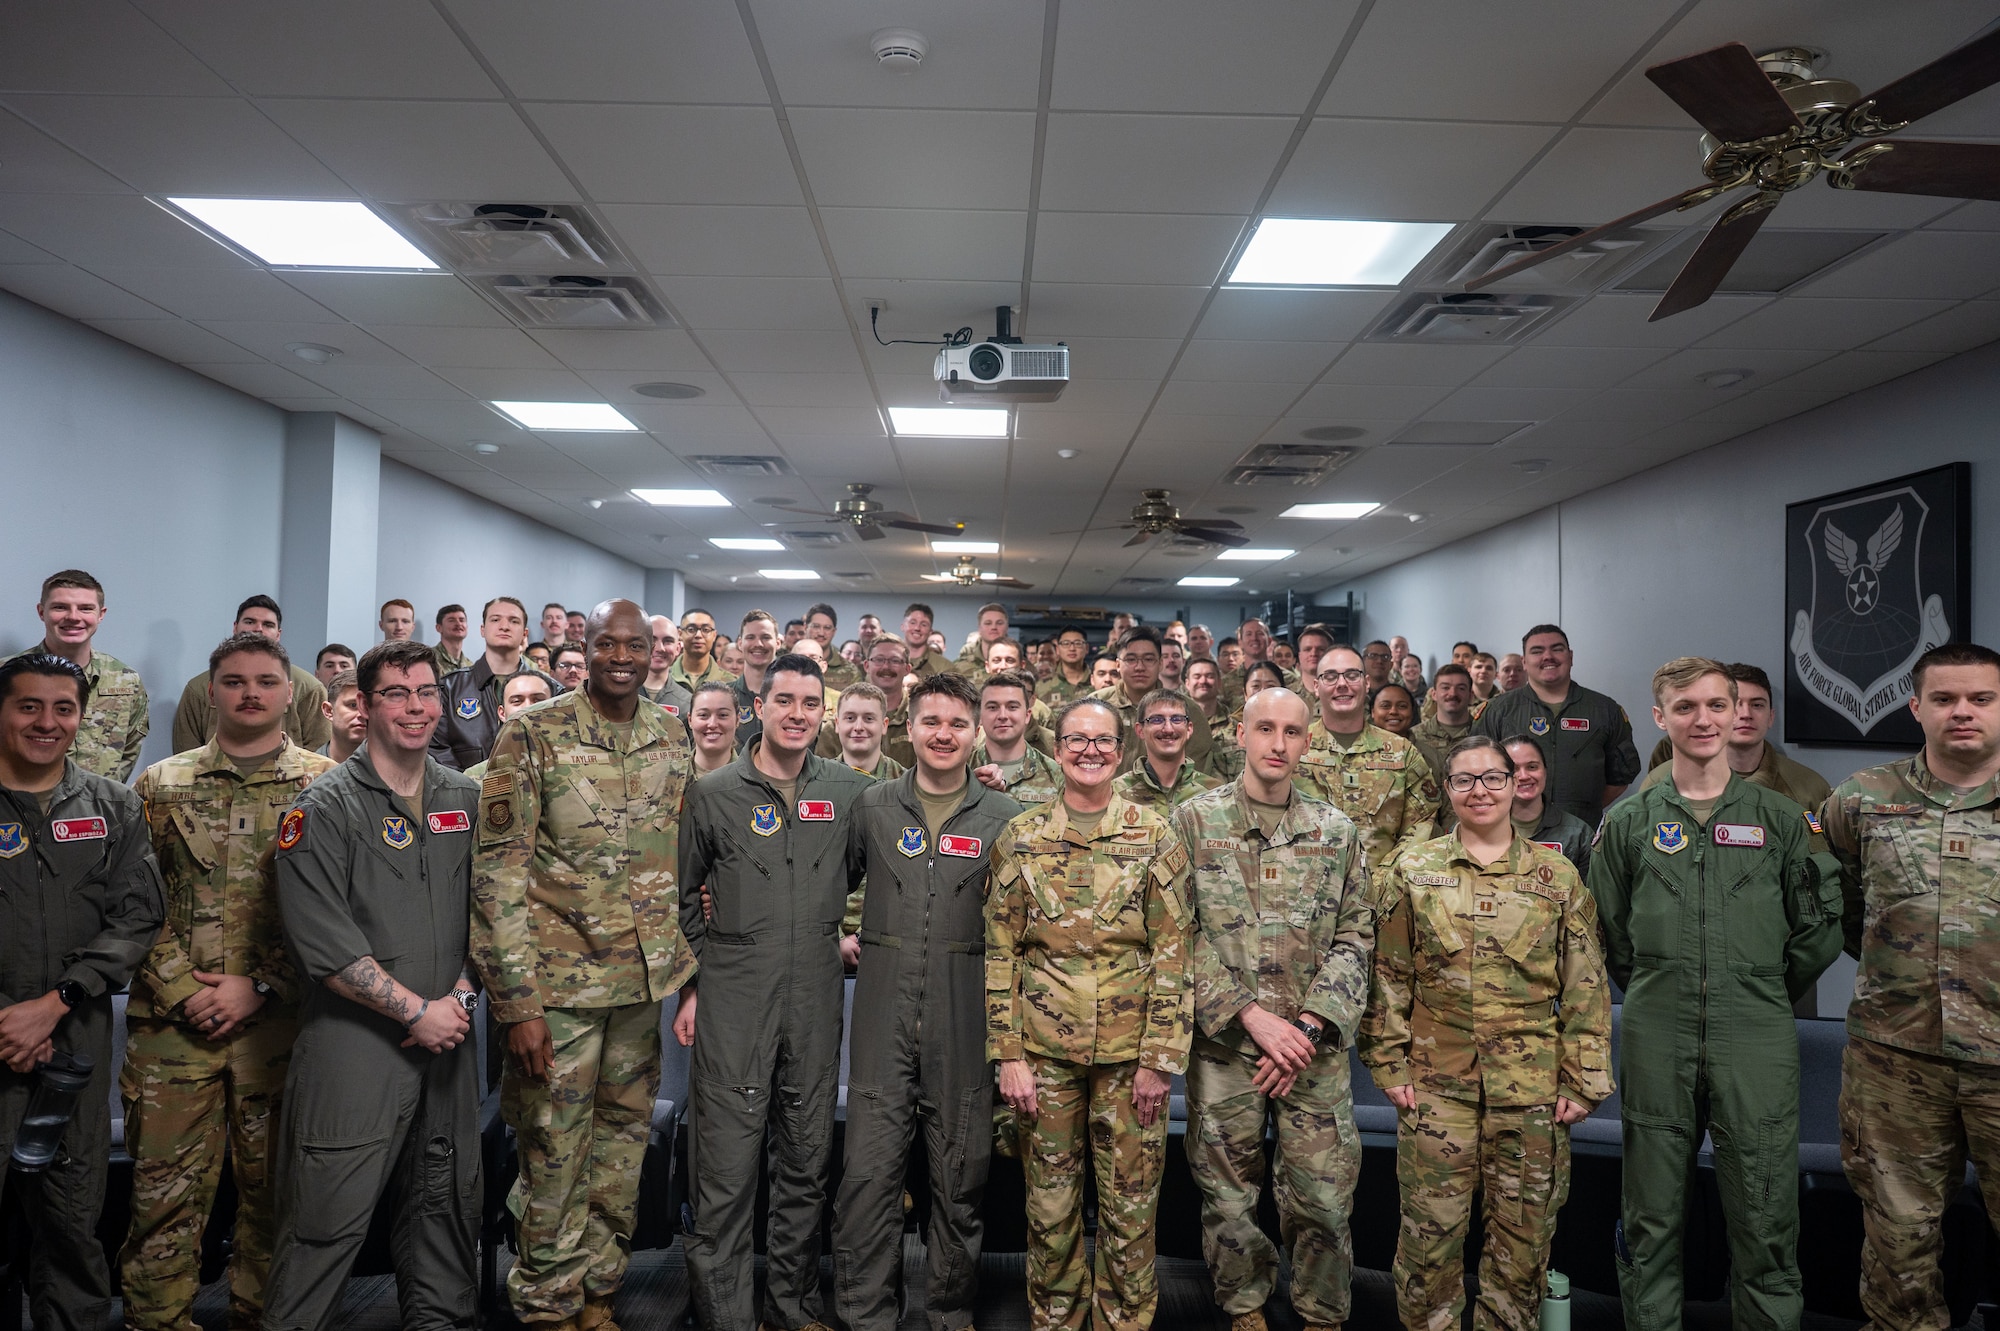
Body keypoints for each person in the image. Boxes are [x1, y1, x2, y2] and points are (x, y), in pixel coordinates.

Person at [1588, 657, 1842, 1331]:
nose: (1702, 719)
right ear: (1660, 718)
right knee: (1651, 1222)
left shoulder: (1784, 820)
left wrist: (1758, 990)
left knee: (1764, 1221)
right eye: (1685, 707)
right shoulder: (1631, 821)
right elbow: (1609, 931)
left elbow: (1818, 927)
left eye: (1714, 705)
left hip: (1755, 1035)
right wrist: (1656, 985)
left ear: (1737, 712)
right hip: (1655, 1033)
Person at [474, 599, 696, 1330]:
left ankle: (599, 1291)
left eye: (636, 643)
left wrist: (687, 973)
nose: (623, 655)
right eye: (608, 642)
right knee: (551, 1152)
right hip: (556, 992)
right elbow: (498, 876)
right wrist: (517, 1004)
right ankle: (547, 1303)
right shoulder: (531, 733)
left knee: (621, 1149)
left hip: (639, 987)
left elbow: (680, 861)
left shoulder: (671, 733)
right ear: (581, 644)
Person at [264, 639, 482, 1331]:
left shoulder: (467, 798)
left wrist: (460, 1001)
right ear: (362, 703)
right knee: (323, 1226)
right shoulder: (322, 807)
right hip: (354, 1050)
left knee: (447, 1218)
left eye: (427, 692)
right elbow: (323, 944)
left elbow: (496, 916)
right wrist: (416, 1009)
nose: (416, 707)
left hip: (451, 1039)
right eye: (397, 693)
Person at [121, 633, 336, 1331]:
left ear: (290, 693)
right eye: (235, 681)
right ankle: (157, 1320)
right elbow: (130, 901)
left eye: (266, 681)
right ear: (211, 691)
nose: (250, 693)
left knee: (275, 1197)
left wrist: (262, 983)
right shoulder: (161, 783)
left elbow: (341, 908)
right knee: (162, 1197)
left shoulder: (327, 784)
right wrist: (182, 985)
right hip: (172, 1030)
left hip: (281, 1026)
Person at [1362, 735, 1613, 1331]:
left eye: (1493, 778)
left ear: (1518, 784)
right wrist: (1388, 1065)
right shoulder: (1413, 871)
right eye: (1465, 780)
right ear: (1447, 791)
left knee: (1523, 1243)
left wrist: (1584, 1080)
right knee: (1429, 1240)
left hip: (1531, 1091)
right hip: (1434, 1085)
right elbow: (1389, 974)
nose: (1480, 791)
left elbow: (1586, 982)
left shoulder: (1556, 876)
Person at [988, 697, 1193, 1331]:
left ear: (1122, 747)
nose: (1090, 751)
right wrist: (1009, 1057)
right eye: (1077, 740)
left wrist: (1160, 1064)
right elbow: (1000, 956)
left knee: (1131, 1206)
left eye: (1103, 740)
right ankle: (1055, 1318)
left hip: (1132, 1061)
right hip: (1044, 1059)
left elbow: (1176, 954)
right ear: (1058, 746)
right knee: (1049, 1206)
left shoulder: (1154, 833)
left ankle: (1126, 1320)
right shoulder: (1022, 837)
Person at [678, 652, 869, 1331]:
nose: (796, 713)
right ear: (756, 706)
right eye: (782, 700)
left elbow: (856, 874)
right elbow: (678, 898)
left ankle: (791, 1307)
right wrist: (704, 974)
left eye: (809, 703)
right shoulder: (713, 792)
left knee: (804, 1162)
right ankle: (726, 1314)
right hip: (736, 993)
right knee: (726, 1171)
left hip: (815, 991)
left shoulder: (850, 791)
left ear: (824, 712)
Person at [1172, 684, 1372, 1331]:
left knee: (1324, 1197)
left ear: (1308, 741)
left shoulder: (1336, 831)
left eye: (1292, 731)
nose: (1278, 743)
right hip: (1227, 1046)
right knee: (1228, 1197)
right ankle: (1245, 1306)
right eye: (1266, 729)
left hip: (1311, 1049)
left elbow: (1355, 935)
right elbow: (1176, 933)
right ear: (1240, 733)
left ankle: (1321, 1312)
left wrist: (1307, 1027)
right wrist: (1252, 1017)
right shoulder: (1194, 821)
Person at [834, 672, 1022, 1331]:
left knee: (960, 1180)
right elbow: (826, 882)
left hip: (966, 1012)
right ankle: (866, 1313)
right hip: (884, 1009)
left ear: (976, 733)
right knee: (867, 1179)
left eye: (957, 723)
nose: (943, 734)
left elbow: (1023, 927)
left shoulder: (1005, 816)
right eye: (930, 721)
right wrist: (837, 934)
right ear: (906, 727)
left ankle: (948, 1312)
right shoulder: (872, 806)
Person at [1822, 642, 2000, 1331]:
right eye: (1947, 698)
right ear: (1916, 707)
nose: (1963, 712)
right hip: (1895, 1061)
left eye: (1981, 698)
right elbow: (1835, 899)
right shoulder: (1863, 798)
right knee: (1898, 1245)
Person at [0, 653, 164, 1331]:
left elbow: (138, 915)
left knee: (72, 1227)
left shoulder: (112, 805)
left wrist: (54, 1003)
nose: (47, 722)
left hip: (73, 1042)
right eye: (28, 706)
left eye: (62, 707)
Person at [1472, 624, 1641, 828]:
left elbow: (1620, 777)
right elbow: (1476, 772)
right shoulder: (1497, 711)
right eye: (1537, 651)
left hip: (1582, 834)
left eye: (1557, 649)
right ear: (1524, 662)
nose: (1548, 656)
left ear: (1570, 657)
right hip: (1511, 834)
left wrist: (1578, 810)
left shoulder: (1605, 710)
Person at [1296, 647, 1440, 878]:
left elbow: (1423, 824)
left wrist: (1386, 878)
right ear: (1316, 686)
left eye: (1352, 675)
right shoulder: (1293, 747)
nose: (1342, 684)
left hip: (1384, 896)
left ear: (1366, 683)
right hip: (1305, 891)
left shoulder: (1401, 752)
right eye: (1330, 676)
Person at [11, 569, 150, 781]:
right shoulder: (9, 675)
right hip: (19, 807)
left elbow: (128, 753)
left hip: (96, 808)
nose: (74, 617)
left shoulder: (126, 681)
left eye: (86, 608)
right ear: (41, 612)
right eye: (60, 607)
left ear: (100, 614)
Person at [1641, 663, 1833, 811]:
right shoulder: (1660, 780)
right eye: (1736, 704)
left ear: (1771, 717)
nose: (1746, 714)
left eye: (1757, 705)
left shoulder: (1810, 787)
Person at [173, 596, 331, 754]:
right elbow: (185, 754)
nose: (258, 629)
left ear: (278, 634)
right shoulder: (197, 689)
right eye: (249, 622)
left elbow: (320, 753)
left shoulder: (309, 689)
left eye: (268, 625)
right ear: (235, 628)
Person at [431, 595, 556, 770]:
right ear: (483, 629)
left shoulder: (552, 690)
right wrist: (467, 786)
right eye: (495, 619)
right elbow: (438, 748)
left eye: (513, 621)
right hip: (468, 792)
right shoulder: (449, 688)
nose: (504, 626)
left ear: (524, 634)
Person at [1093, 627, 1213, 776]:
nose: (1140, 667)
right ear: (1118, 665)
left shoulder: (1187, 710)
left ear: (1160, 663)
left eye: (1148, 659)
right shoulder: (1095, 706)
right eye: (1131, 659)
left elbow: (1197, 773)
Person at [1115, 688, 1221, 812]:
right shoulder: (1115, 793)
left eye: (1177, 719)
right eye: (1156, 720)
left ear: (1189, 729)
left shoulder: (1215, 793)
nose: (1168, 729)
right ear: (1140, 730)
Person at [819, 637, 917, 770]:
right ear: (866, 666)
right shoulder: (836, 727)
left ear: (907, 668)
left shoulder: (919, 720)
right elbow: (822, 776)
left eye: (895, 660)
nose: (886, 667)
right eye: (879, 659)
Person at [971, 669, 1065, 806]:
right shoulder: (963, 772)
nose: (1002, 715)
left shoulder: (1055, 775)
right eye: (992, 707)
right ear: (980, 716)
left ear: (1027, 715)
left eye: (1012, 707)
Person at [1503, 736, 1593, 876]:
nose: (1523, 776)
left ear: (1545, 771)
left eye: (1532, 767)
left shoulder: (1578, 834)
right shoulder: (1476, 830)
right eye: (1513, 769)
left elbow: (1590, 895)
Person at [463, 671, 554, 782]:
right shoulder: (475, 777)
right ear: (502, 713)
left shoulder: (576, 767)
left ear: (553, 709)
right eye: (517, 701)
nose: (528, 707)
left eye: (538, 700)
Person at [1409, 663, 1474, 777]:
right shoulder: (1414, 736)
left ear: (1470, 695)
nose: (1453, 693)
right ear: (1434, 694)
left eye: (1461, 688)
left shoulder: (1484, 732)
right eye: (1445, 687)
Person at [729, 609, 781, 750]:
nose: (758, 643)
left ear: (778, 643)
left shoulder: (790, 697)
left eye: (765, 637)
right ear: (740, 643)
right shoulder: (725, 696)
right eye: (750, 637)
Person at [833, 681, 903, 780]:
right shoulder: (820, 782)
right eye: (850, 718)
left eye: (869, 719)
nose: (858, 727)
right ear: (837, 724)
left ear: (884, 725)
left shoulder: (905, 784)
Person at [642, 614, 694, 715]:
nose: (659, 648)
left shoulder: (687, 703)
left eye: (668, 641)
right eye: (652, 640)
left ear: (678, 648)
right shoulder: (621, 694)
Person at [672, 609, 732, 692]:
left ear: (714, 635)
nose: (698, 635)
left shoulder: (730, 682)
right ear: (680, 634)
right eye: (691, 629)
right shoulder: (665, 678)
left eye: (706, 630)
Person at [688, 681, 739, 775]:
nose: (712, 724)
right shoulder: (670, 776)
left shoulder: (754, 780)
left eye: (723, 715)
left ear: (737, 720)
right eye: (703, 715)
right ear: (690, 720)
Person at [805, 604, 859, 691]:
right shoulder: (787, 664)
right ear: (805, 627)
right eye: (816, 626)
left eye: (827, 628)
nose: (821, 633)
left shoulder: (850, 671)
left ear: (834, 631)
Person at [321, 667, 366, 764]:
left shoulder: (397, 768)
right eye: (353, 705)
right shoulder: (308, 772)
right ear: (329, 711)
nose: (362, 714)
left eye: (368, 706)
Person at [901, 604, 957, 678]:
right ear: (902, 626)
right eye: (912, 623)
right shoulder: (888, 661)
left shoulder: (945, 668)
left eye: (924, 625)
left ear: (930, 632)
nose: (917, 628)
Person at [955, 604, 1011, 674]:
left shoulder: (1017, 660)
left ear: (1007, 627)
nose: (993, 627)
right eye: (988, 623)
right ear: (979, 627)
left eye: (999, 623)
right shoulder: (962, 662)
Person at [434, 604, 472, 673]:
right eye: (451, 620)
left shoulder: (470, 666)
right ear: (439, 628)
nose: (458, 623)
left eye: (462, 620)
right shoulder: (429, 659)